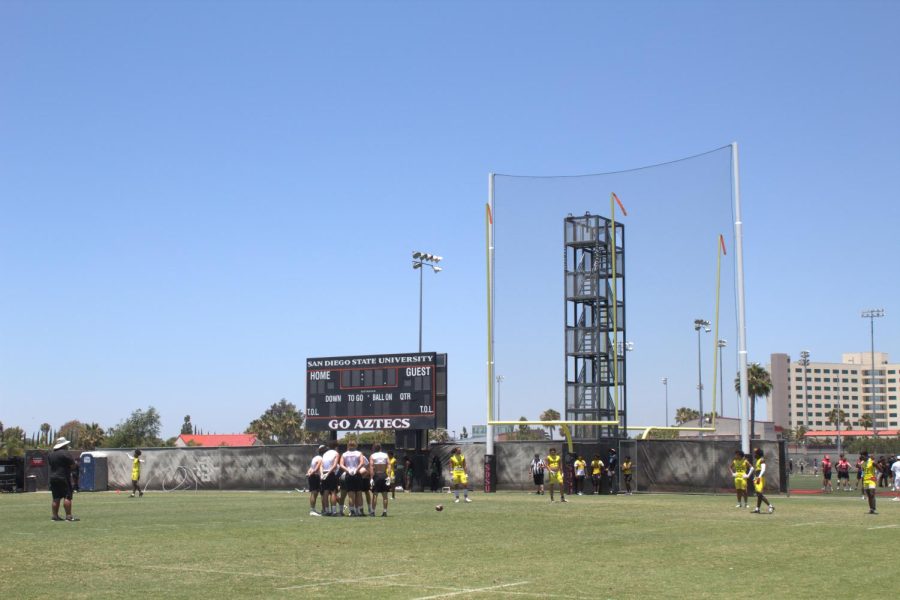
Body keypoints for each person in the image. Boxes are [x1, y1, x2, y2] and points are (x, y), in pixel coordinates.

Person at [48, 437, 79, 522]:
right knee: (67, 496)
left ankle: (55, 516)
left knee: (56, 497)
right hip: (63, 477)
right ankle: (68, 516)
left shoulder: (51, 454)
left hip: (53, 478)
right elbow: (73, 466)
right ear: (64, 445)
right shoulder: (65, 453)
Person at [339, 440, 366, 516]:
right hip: (357, 474)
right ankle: (360, 511)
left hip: (348, 474)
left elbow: (341, 464)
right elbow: (362, 463)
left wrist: (348, 470)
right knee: (359, 494)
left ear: (348, 445)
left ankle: (352, 512)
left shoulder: (344, 454)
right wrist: (356, 470)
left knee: (351, 494)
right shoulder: (359, 453)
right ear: (356, 445)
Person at [749, 447, 774, 514]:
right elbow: (758, 471)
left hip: (760, 479)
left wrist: (759, 477)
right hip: (757, 478)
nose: (754, 454)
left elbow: (763, 469)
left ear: (758, 454)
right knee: (758, 494)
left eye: (755, 453)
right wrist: (755, 477)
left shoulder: (762, 459)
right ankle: (757, 509)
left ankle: (770, 506)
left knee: (759, 493)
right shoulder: (758, 460)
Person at [320, 440, 340, 516]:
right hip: (330, 474)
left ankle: (326, 511)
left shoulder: (325, 454)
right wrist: (328, 473)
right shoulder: (336, 453)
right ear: (336, 446)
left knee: (325, 492)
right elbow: (334, 465)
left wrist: (322, 474)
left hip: (324, 473)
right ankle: (334, 512)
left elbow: (321, 465)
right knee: (333, 492)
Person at [370, 443, 391, 516]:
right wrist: (388, 476)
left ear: (374, 448)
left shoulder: (373, 456)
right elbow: (389, 465)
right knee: (385, 495)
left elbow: (372, 467)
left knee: (375, 495)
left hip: (377, 475)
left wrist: (371, 478)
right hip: (384, 475)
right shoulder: (385, 455)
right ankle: (385, 512)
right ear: (380, 448)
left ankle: (373, 512)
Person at [306, 445, 325, 516]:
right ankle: (312, 511)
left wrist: (308, 473)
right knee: (314, 493)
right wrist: (311, 473)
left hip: (312, 476)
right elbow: (317, 468)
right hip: (315, 476)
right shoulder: (320, 458)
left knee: (313, 493)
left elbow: (311, 468)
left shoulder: (315, 458)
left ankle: (313, 509)